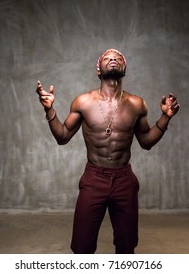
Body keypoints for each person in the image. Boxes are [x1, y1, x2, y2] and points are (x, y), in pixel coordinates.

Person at [36, 48, 180, 254]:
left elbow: (146, 141)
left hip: (124, 180)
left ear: (124, 67)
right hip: (94, 179)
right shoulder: (83, 102)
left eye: (118, 58)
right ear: (98, 68)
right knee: (81, 246)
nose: (113, 60)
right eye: (107, 58)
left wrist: (165, 117)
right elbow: (63, 136)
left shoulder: (137, 104)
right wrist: (49, 109)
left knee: (126, 246)